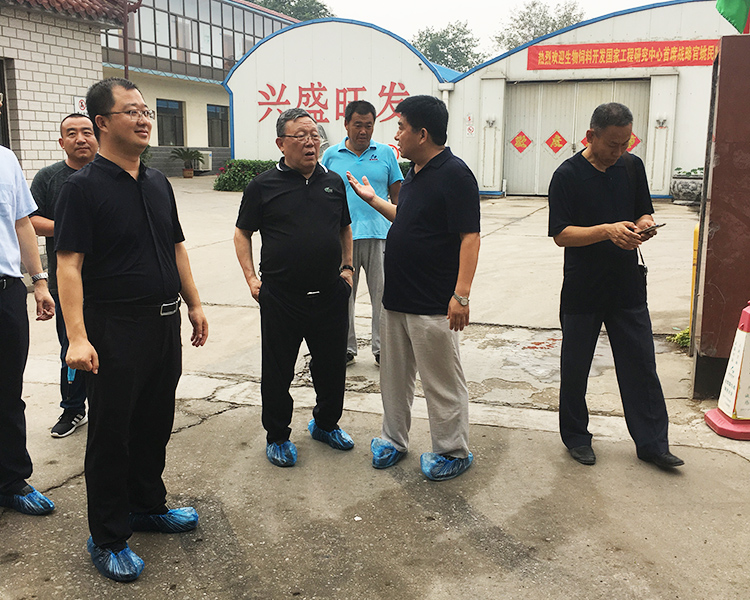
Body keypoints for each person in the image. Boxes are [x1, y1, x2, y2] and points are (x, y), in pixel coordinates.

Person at [55, 77, 209, 582]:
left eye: (146, 111)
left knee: (154, 424)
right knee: (111, 435)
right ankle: (108, 537)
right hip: (114, 329)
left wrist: (194, 303)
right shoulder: (82, 188)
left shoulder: (158, 181)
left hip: (163, 324)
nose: (144, 119)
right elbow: (69, 264)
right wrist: (77, 336)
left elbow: (176, 247)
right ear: (102, 122)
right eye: (132, 111)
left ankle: (146, 506)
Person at [347, 95, 481, 482]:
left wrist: (461, 295)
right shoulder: (415, 173)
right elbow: (406, 218)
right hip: (397, 298)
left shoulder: (455, 174)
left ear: (422, 134)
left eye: (401, 127)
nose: (396, 135)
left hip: (432, 302)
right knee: (394, 377)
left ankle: (452, 450)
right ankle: (394, 439)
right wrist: (374, 200)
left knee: (441, 382)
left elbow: (470, 237)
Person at [547, 102, 684, 469]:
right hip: (583, 287)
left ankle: (653, 444)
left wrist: (646, 225)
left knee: (641, 365)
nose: (619, 151)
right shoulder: (567, 175)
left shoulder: (631, 166)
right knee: (575, 367)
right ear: (590, 136)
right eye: (612, 144)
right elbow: (561, 234)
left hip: (627, 284)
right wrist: (607, 231)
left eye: (626, 143)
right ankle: (576, 437)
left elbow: (643, 210)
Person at [234, 107, 355, 468]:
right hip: (281, 297)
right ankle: (277, 436)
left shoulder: (333, 182)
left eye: (314, 135)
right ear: (281, 143)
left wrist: (347, 268)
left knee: (332, 367)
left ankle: (326, 424)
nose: (310, 142)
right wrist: (252, 279)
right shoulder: (262, 185)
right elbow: (242, 233)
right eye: (300, 136)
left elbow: (344, 227)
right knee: (278, 371)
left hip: (329, 294)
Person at [0, 93, 57, 516]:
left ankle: (11, 480)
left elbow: (22, 222)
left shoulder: (6, 160)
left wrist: (38, 281)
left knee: (8, 390)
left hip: (5, 291)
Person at [30, 113, 98, 438]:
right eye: (71, 133)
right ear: (61, 142)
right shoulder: (49, 178)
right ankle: (73, 408)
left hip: (109, 282)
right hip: (66, 282)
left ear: (98, 136)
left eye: (86, 132)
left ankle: (110, 407)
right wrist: (70, 228)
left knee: (113, 348)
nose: (80, 138)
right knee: (71, 347)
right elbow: (30, 220)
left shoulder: (112, 173)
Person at [321, 100, 403, 366]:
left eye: (369, 125)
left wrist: (402, 229)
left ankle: (382, 348)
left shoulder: (386, 154)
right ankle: (345, 347)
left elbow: (398, 197)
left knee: (383, 295)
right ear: (346, 124)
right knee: (343, 295)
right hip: (343, 237)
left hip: (381, 235)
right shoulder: (331, 155)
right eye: (358, 125)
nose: (363, 131)